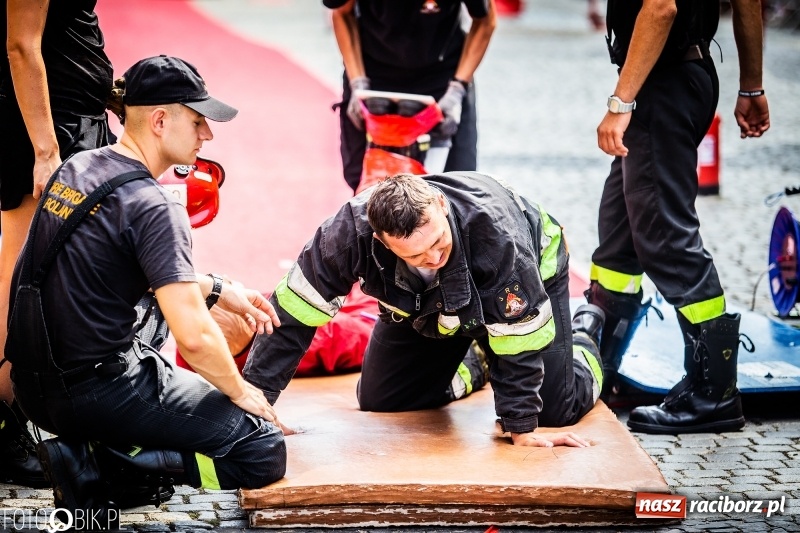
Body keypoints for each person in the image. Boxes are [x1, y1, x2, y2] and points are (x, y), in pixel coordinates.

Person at [6, 55, 286, 519]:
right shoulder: (153, 206)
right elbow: (195, 340)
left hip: (35, 390)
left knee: (152, 313)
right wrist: (241, 393)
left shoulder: (79, 168)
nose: (207, 135)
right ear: (160, 120)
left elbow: (115, 265)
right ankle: (99, 463)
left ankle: (105, 454)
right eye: (198, 121)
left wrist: (217, 287)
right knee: (260, 448)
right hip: (96, 393)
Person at [245, 172, 607, 448]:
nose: (433, 258)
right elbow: (292, 315)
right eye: (416, 255)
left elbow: (519, 335)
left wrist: (522, 425)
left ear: (441, 204)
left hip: (527, 287)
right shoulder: (345, 237)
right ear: (381, 240)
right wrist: (256, 404)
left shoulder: (496, 237)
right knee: (383, 400)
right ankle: (480, 356)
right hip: (427, 306)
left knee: (552, 413)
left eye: (438, 241)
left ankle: (584, 335)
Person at [588, 0, 770, 434]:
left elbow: (661, 7)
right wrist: (750, 87)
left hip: (662, 85)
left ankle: (714, 395)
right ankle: (596, 366)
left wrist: (620, 101)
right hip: (685, 77)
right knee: (622, 233)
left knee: (666, 238)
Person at [0, 0, 117, 487]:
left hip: (74, 118)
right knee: (20, 273)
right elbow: (20, 46)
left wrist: (110, 91)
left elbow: (63, 32)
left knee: (65, 274)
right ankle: (3, 420)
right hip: (44, 130)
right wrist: (46, 151)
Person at [325, 0, 497, 193]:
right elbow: (341, 12)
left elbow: (486, 20)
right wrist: (358, 83)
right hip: (373, 72)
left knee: (459, 182)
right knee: (361, 180)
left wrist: (457, 89)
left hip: (443, 73)